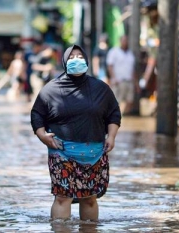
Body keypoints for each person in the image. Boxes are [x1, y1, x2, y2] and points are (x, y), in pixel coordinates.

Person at [30, 45, 121, 221]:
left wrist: (111, 136)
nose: (76, 60)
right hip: (62, 152)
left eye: (80, 56)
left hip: (94, 153)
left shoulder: (101, 89)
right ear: (64, 62)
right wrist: (42, 135)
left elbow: (114, 113)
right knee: (62, 198)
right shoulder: (51, 89)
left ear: (86, 60)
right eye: (71, 57)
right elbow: (37, 114)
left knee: (89, 199)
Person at [106, 36, 136, 115]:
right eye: (123, 40)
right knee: (117, 100)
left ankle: (122, 116)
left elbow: (132, 68)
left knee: (130, 100)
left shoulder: (130, 53)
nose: (125, 42)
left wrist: (135, 82)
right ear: (120, 41)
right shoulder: (114, 52)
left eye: (126, 40)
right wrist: (114, 78)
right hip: (118, 81)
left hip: (129, 80)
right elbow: (110, 66)